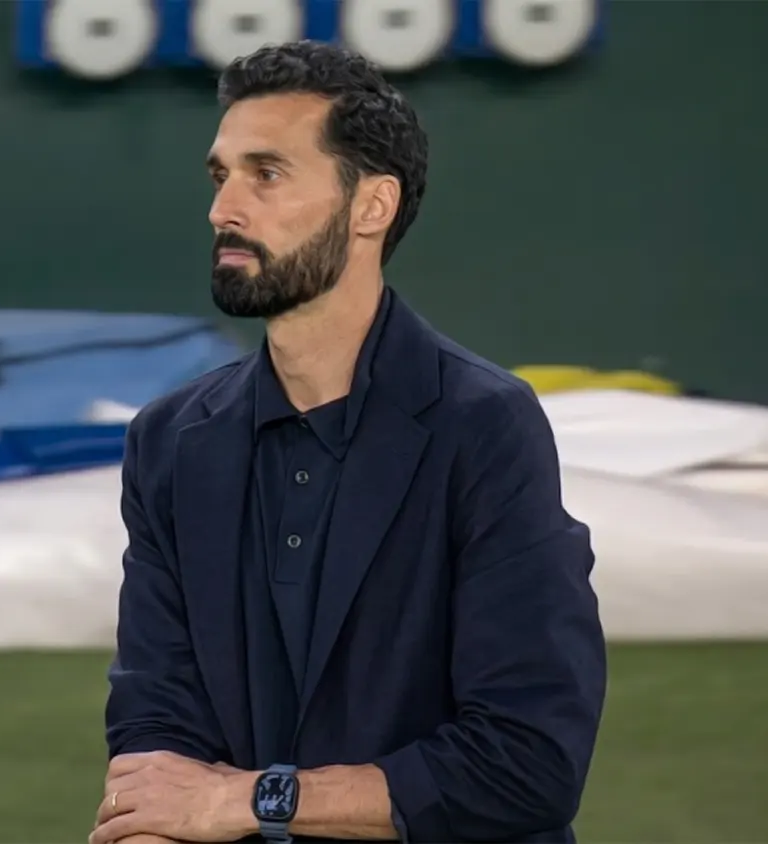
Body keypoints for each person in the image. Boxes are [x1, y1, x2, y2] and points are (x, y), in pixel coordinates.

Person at [92, 41, 607, 844]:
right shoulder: (171, 442)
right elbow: (156, 733)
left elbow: (528, 764)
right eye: (220, 175)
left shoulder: (483, 425)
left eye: (266, 174)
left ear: (372, 206)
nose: (223, 209)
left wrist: (256, 801)